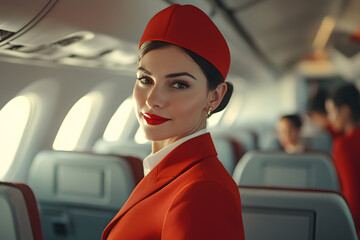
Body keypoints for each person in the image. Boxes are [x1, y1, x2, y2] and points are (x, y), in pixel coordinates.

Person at [101, 4, 245, 240]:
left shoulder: (203, 191)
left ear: (214, 96)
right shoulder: (165, 172)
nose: (153, 100)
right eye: (145, 79)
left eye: (179, 84)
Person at [324, 83, 360, 236]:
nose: (329, 118)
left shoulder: (343, 145)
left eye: (331, 112)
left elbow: (353, 198)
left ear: (345, 111)